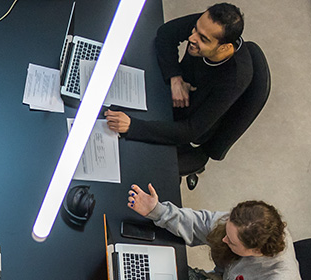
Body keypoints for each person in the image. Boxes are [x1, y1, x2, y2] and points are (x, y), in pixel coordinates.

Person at [104, 3, 252, 176]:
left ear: (224, 47)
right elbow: (166, 34)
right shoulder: (206, 25)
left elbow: (192, 130)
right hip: (171, 95)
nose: (192, 38)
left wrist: (132, 126)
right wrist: (175, 78)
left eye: (203, 39)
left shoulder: (234, 79)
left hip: (188, 122)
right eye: (195, 29)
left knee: (127, 161)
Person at [126, 184, 300, 280]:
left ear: (256, 251)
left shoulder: (279, 276)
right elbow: (200, 223)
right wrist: (158, 211)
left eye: (231, 242)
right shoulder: (246, 222)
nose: (224, 239)